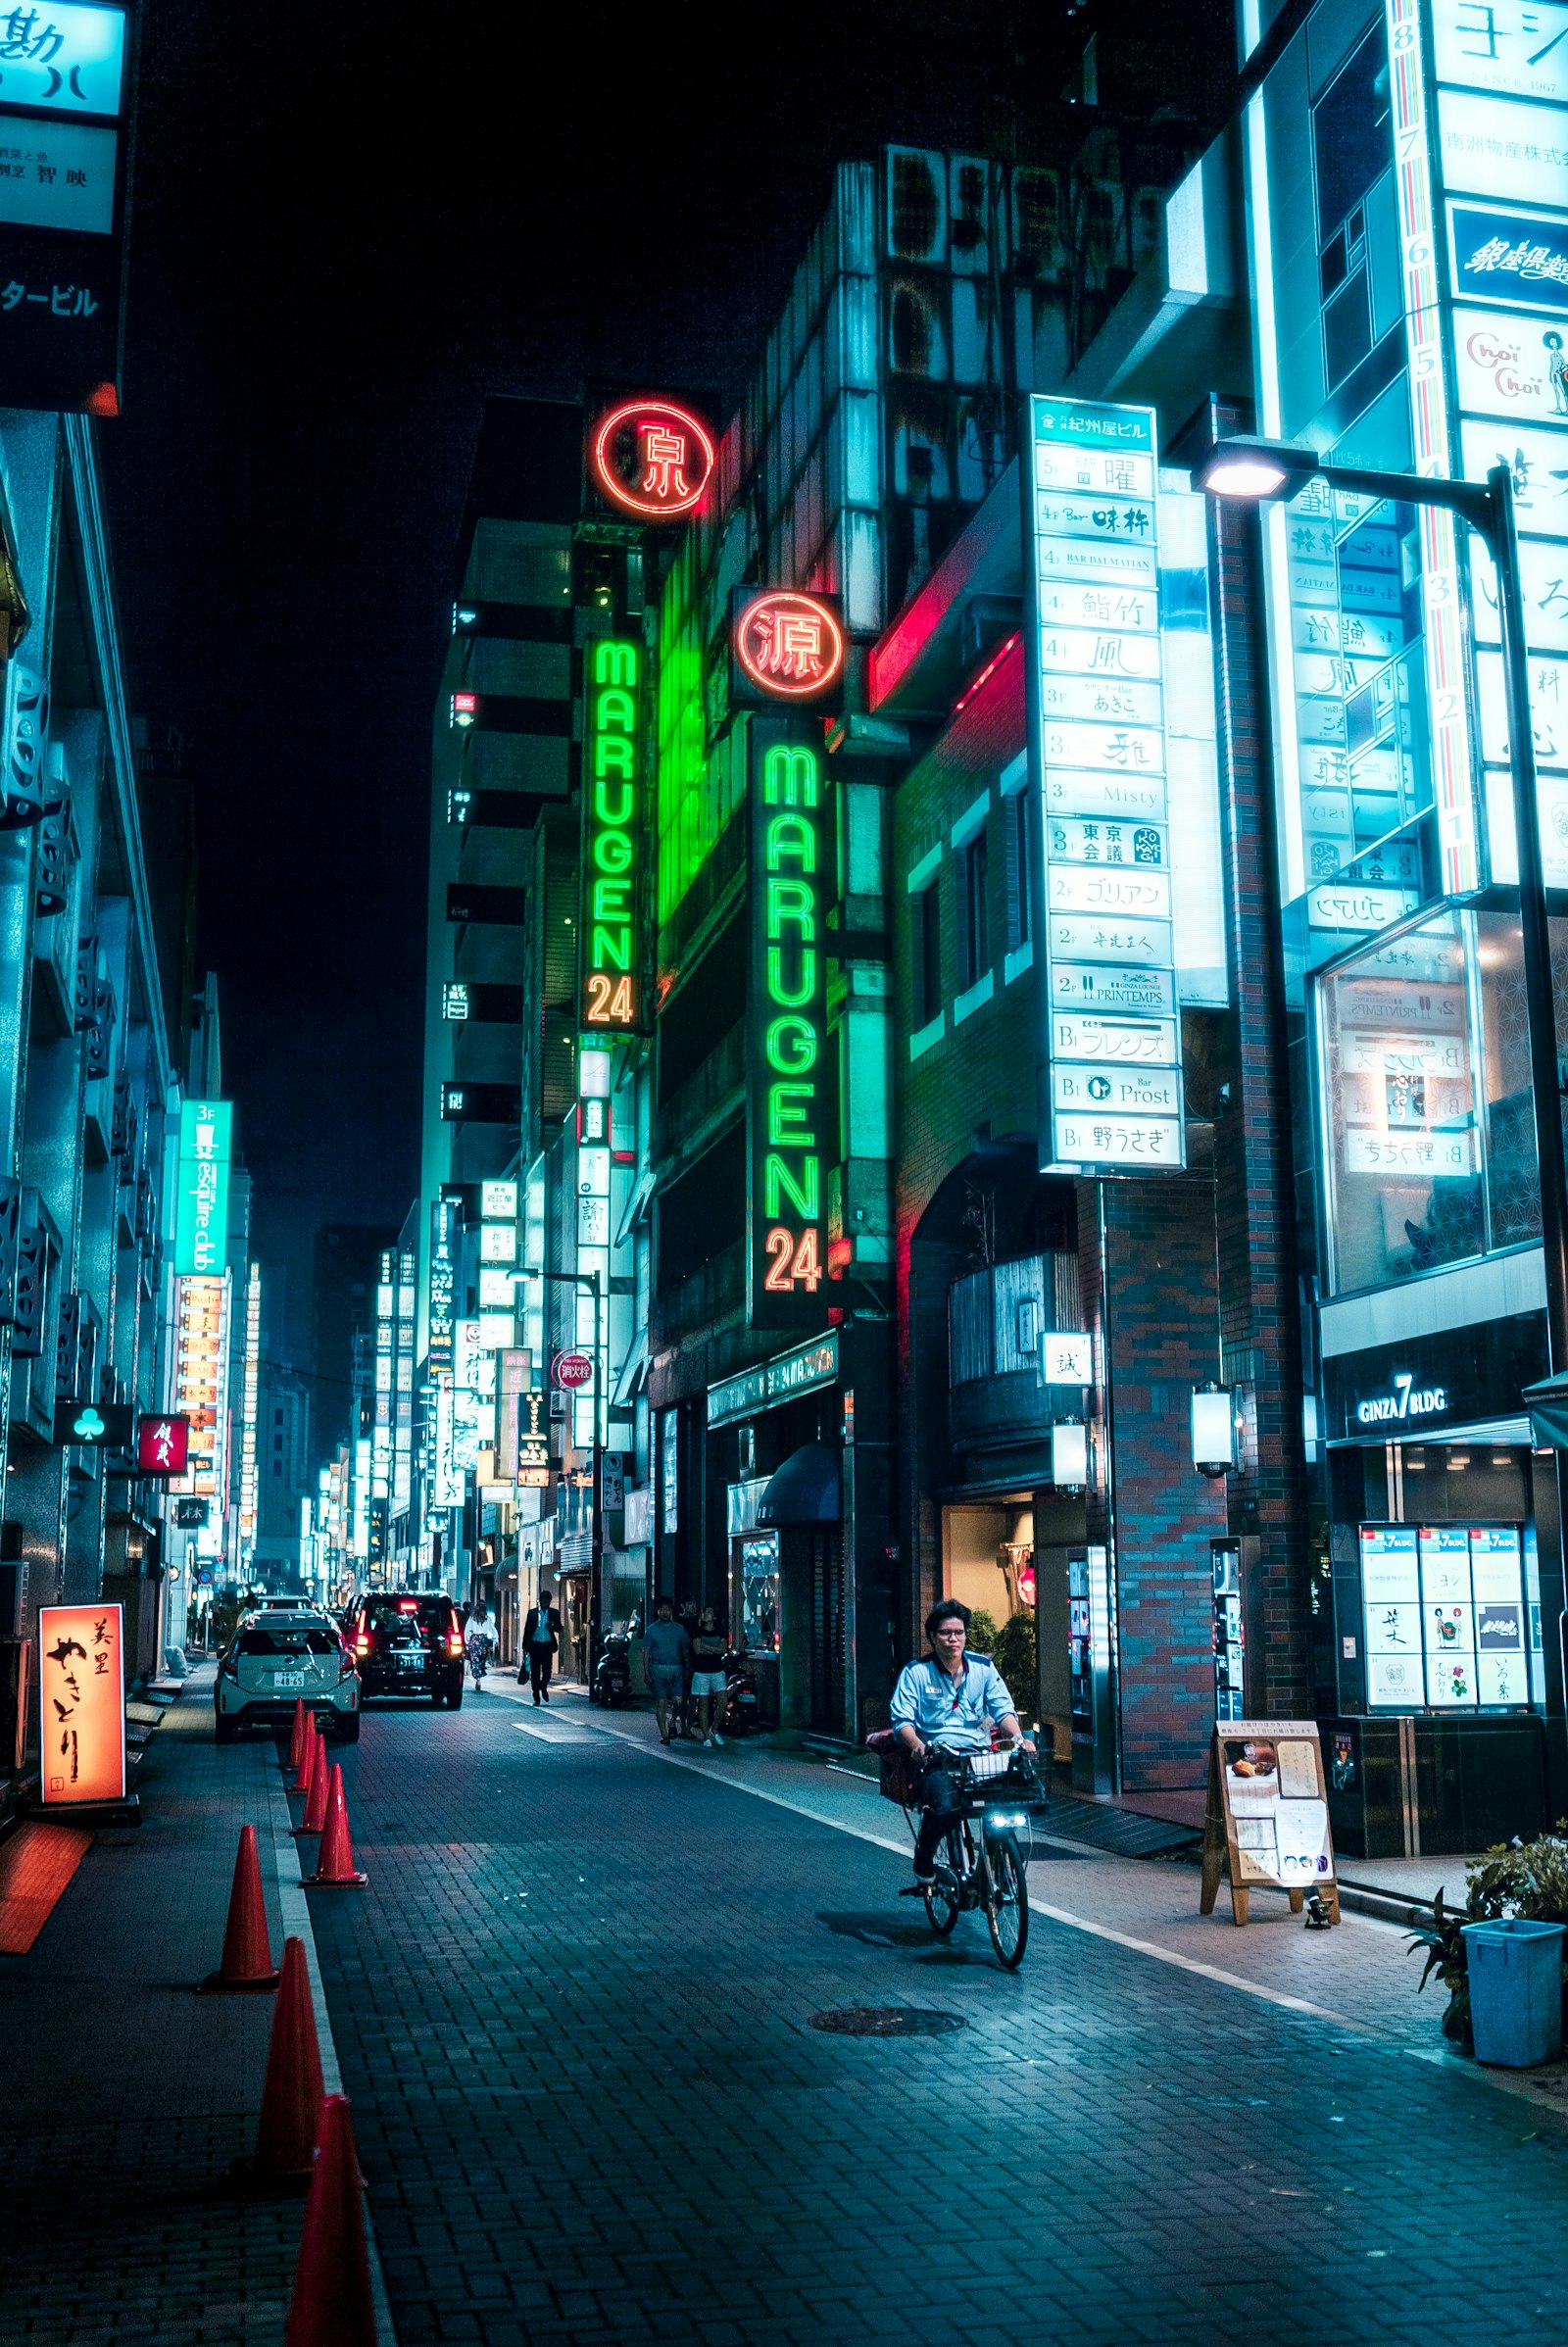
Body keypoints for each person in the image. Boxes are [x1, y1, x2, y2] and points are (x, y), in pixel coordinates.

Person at [890, 1598, 1034, 1887]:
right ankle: (924, 1854)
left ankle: (1000, 1859)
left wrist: (1018, 1738)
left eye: (959, 1632)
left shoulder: (983, 1668)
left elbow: (1002, 1709)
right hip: (938, 1758)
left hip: (980, 1756)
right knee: (944, 1807)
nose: (953, 1638)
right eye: (945, 1633)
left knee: (1009, 1799)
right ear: (933, 1637)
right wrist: (917, 1744)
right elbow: (902, 1720)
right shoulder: (916, 1672)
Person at [642, 1597, 691, 1745]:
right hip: (657, 1669)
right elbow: (646, 1652)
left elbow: (685, 1650)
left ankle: (672, 1722)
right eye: (662, 1610)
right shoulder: (651, 1630)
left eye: (667, 1609)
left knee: (679, 1700)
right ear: (657, 1612)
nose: (664, 1612)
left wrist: (687, 1668)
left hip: (676, 1669)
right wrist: (646, 1672)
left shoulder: (679, 1629)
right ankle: (664, 1734)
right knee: (661, 1701)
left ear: (671, 1611)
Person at [689, 1606, 728, 1747]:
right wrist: (714, 1650)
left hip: (717, 1670)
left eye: (709, 1612)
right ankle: (706, 1736)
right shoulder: (697, 1631)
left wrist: (706, 1646)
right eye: (704, 1612)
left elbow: (723, 1650)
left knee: (723, 1701)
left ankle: (714, 1728)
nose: (705, 1614)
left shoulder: (720, 1631)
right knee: (703, 1704)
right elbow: (697, 1650)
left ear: (715, 1617)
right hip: (701, 1672)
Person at [518, 1585, 563, 1705]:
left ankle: (543, 1687)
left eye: (547, 1602)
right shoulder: (532, 1613)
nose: (545, 1604)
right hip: (535, 1646)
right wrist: (524, 1647)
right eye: (544, 1601)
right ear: (540, 1601)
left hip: (547, 1645)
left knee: (547, 1672)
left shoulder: (554, 1613)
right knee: (535, 1672)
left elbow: (560, 1629)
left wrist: (553, 1626)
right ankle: (536, 1695)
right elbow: (527, 1630)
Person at [464, 1600, 498, 1692]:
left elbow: (467, 1630)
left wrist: (467, 1642)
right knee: (481, 1661)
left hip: (474, 1641)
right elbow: (493, 1629)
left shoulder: (472, 1618)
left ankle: (478, 1679)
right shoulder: (488, 1619)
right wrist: (496, 1639)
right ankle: (479, 1678)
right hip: (483, 1642)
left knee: (475, 1661)